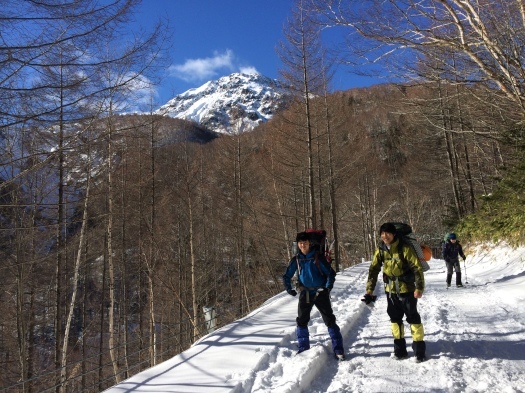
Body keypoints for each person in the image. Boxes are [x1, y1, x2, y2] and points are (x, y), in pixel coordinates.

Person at [365, 222, 427, 362]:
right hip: (391, 289)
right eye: (382, 234)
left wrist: (419, 288)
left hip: (408, 289)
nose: (385, 236)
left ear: (394, 234)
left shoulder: (404, 248)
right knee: (395, 318)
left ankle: (419, 351)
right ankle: (399, 350)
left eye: (387, 233)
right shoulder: (381, 249)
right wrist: (369, 289)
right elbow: (373, 269)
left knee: (412, 317)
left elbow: (417, 268)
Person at [282, 231, 345, 360]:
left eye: (305, 243)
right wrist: (289, 289)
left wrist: (327, 288)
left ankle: (338, 349)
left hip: (320, 292)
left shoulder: (317, 257)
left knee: (329, 320)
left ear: (309, 243)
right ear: (297, 244)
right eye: (300, 243)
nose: (302, 245)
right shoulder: (297, 259)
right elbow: (287, 275)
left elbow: (330, 273)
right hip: (305, 292)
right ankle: (303, 348)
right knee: (302, 321)